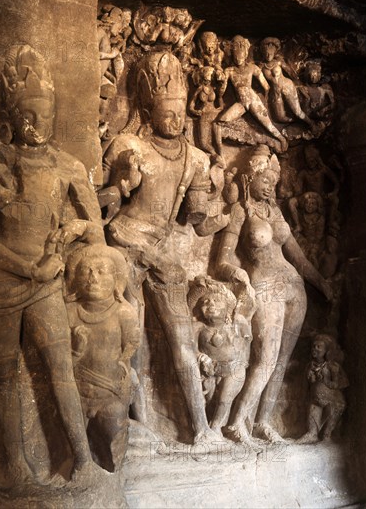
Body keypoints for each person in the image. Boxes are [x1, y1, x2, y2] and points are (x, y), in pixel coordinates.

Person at [0, 45, 105, 486]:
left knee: (60, 365)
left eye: (42, 115)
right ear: (9, 117)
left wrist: (72, 231)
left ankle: (83, 459)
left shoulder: (68, 166)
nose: (35, 124)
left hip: (47, 279)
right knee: (2, 374)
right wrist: (32, 269)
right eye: (25, 115)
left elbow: (96, 230)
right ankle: (15, 465)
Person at [103, 50, 227, 443]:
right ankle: (137, 423)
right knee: (132, 337)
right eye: (166, 112)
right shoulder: (130, 145)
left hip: (161, 252)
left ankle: (202, 428)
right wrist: (121, 182)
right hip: (125, 243)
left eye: (179, 113)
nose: (174, 120)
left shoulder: (194, 158)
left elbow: (197, 222)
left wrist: (220, 200)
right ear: (148, 109)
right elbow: (102, 204)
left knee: (182, 338)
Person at [216, 145, 332, 450]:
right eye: (265, 179)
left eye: (273, 181)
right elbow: (222, 259)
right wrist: (236, 274)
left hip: (294, 287)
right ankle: (234, 422)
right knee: (264, 359)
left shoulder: (276, 212)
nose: (271, 185)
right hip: (264, 286)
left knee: (281, 361)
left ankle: (262, 422)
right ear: (250, 178)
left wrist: (322, 283)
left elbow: (297, 256)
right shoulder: (242, 212)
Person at [66, 245, 140, 472]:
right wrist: (77, 350)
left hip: (110, 394)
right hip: (76, 393)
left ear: (116, 279)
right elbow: (60, 358)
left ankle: (111, 474)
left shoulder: (123, 312)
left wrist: (123, 363)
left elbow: (131, 344)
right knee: (72, 450)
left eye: (101, 271)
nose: (92, 278)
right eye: (86, 271)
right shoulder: (70, 311)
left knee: (112, 443)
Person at [189, 279, 251, 435]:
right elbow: (189, 349)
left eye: (217, 301)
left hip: (234, 369)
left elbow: (246, 344)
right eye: (205, 302)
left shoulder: (237, 323)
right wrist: (201, 357)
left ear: (228, 307)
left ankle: (216, 428)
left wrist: (241, 362)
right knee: (210, 402)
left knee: (224, 400)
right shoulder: (198, 327)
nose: (211, 304)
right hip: (208, 371)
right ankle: (208, 429)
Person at [213, 36, 288, 153]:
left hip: (253, 100)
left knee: (268, 125)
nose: (239, 59)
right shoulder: (229, 71)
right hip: (240, 103)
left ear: (246, 54)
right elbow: (222, 89)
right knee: (221, 121)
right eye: (236, 56)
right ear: (232, 55)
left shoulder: (252, 68)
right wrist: (220, 93)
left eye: (241, 56)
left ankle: (281, 139)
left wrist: (264, 100)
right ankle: (220, 152)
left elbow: (266, 86)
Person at [297, 334, 348, 443]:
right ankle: (312, 434)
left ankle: (327, 435)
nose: (315, 348)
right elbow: (305, 385)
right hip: (315, 400)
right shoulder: (310, 366)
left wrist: (326, 381)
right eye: (313, 346)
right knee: (312, 411)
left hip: (332, 400)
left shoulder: (332, 366)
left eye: (319, 347)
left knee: (334, 410)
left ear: (327, 351)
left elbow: (343, 382)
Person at [259, 37, 314, 129]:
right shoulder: (261, 66)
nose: (268, 56)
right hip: (276, 92)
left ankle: (311, 123)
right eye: (266, 53)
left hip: (287, 86)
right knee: (280, 117)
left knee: (297, 111)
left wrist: (299, 84)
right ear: (263, 53)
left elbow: (291, 73)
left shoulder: (279, 62)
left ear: (275, 52)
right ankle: (295, 123)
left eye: (271, 53)